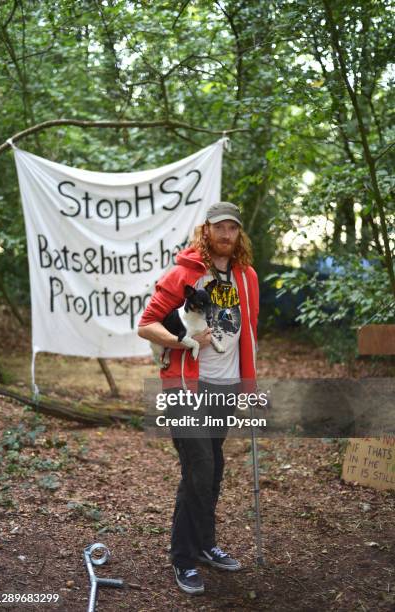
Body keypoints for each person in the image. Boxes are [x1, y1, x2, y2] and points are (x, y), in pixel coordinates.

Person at [137, 202, 259, 595]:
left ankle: (205, 544)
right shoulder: (185, 273)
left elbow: (249, 331)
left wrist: (248, 384)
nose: (226, 235)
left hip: (225, 387)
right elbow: (146, 324)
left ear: (239, 235)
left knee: (215, 465)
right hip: (186, 387)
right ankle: (183, 559)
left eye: (233, 229)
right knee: (199, 467)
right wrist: (182, 340)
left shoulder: (247, 277)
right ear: (205, 231)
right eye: (219, 228)